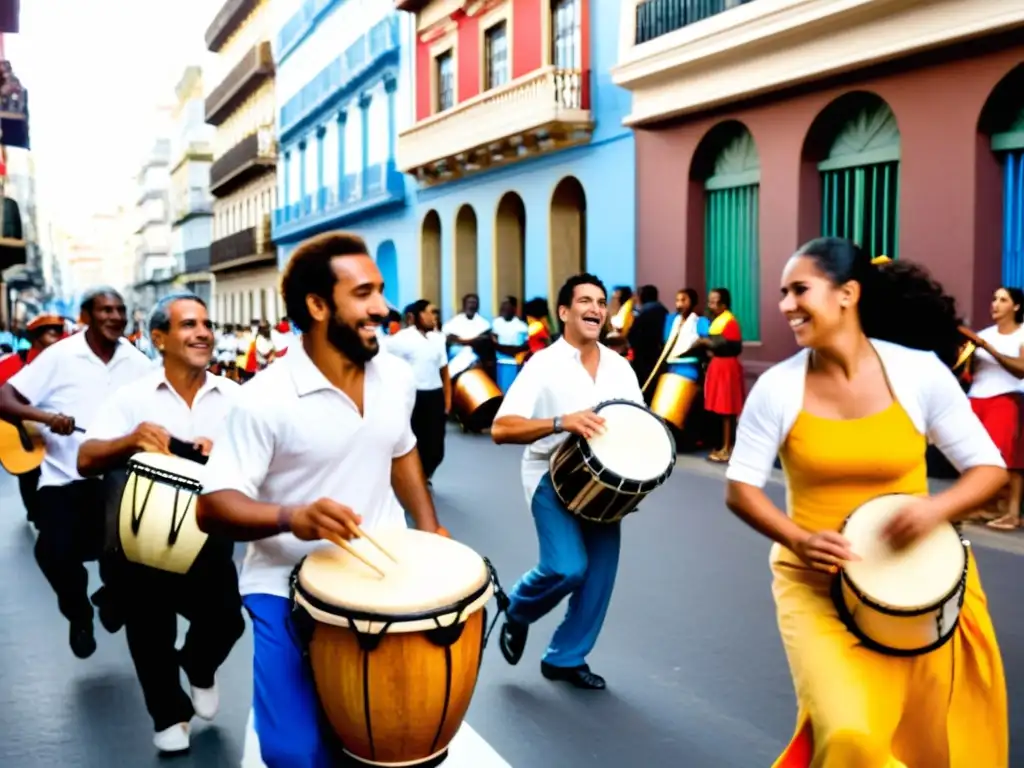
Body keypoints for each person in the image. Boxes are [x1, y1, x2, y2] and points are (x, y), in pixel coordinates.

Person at [724, 238, 1008, 767]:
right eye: (783, 293)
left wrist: (934, 510)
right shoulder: (777, 389)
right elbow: (740, 488)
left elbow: (988, 468)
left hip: (922, 588)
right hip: (815, 590)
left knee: (933, 744)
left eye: (799, 290)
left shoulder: (920, 373)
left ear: (847, 294)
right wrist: (799, 539)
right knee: (852, 734)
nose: (786, 305)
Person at [195, 232, 447, 766]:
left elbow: (401, 450)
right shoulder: (262, 400)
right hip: (285, 587)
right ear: (316, 305)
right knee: (293, 751)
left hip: (384, 585)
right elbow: (212, 505)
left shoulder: (396, 378)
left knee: (383, 739)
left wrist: (428, 527)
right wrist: (294, 517)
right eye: (363, 294)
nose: (382, 307)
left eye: (379, 290)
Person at [75, 293, 244, 753]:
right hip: (139, 538)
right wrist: (132, 440)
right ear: (159, 338)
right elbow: (86, 458)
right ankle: (168, 715)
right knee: (148, 629)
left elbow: (267, 467)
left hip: (209, 539)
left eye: (207, 323)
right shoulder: (130, 398)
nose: (203, 332)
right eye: (189, 324)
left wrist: (226, 455)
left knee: (228, 620)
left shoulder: (236, 397)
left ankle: (198, 664)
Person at [491, 273, 643, 690]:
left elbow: (637, 423)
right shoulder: (543, 364)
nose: (597, 308)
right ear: (564, 312)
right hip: (549, 472)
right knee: (567, 567)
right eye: (585, 302)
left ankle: (565, 657)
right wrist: (562, 422)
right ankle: (518, 610)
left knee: (599, 576)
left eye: (601, 301)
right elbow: (502, 429)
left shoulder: (620, 367)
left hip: (607, 486)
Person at [0, 288, 154, 658]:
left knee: (132, 555)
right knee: (53, 553)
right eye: (106, 310)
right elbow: (5, 398)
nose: (115, 316)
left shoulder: (138, 362)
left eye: (120, 309)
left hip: (120, 477)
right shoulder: (60, 356)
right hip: (64, 478)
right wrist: (47, 418)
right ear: (85, 316)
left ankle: (111, 596)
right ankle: (79, 613)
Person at [963, 286, 1024, 530]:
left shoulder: (1020, 334)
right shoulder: (984, 333)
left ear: (1016, 307)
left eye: (1003, 300)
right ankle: (984, 506)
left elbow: (1020, 369)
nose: (995, 304)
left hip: (1005, 398)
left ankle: (1011, 512)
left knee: (1008, 457)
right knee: (976, 456)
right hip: (977, 398)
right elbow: (969, 371)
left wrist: (986, 348)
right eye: (993, 299)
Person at [0, 313, 67, 526]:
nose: (55, 335)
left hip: (61, 435)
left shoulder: (68, 363)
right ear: (35, 336)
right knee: (29, 476)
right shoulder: (11, 364)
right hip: (22, 434)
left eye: (58, 330)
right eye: (49, 331)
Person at [386, 299, 452, 480]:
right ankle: (417, 479)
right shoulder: (401, 339)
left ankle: (427, 472)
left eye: (435, 313)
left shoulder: (439, 338)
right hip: (413, 397)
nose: (433, 317)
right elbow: (381, 361)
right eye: (429, 312)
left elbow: (444, 370)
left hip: (435, 395)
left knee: (436, 445)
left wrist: (448, 400)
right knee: (415, 440)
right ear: (414, 317)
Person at [699, 287, 744, 462]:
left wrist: (708, 343)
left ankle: (727, 448)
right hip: (717, 367)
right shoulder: (716, 320)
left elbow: (733, 347)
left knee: (727, 410)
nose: (710, 304)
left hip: (726, 368)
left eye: (713, 301)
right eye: (709, 300)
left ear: (723, 304)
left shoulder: (729, 322)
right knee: (719, 409)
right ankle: (721, 445)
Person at [442, 293, 491, 379]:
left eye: (474, 303)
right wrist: (472, 341)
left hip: (475, 355)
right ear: (464, 305)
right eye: (469, 302)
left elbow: (482, 341)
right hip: (455, 354)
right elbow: (449, 338)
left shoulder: (484, 323)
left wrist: (460, 341)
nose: (471, 305)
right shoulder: (455, 321)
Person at [491, 295, 529, 393]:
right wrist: (510, 350)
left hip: (515, 364)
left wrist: (507, 349)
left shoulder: (521, 326)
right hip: (500, 363)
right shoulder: (496, 323)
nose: (503, 307)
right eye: (502, 305)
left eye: (506, 304)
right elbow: (493, 342)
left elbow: (523, 346)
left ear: (514, 308)